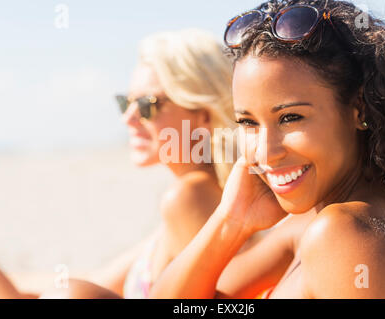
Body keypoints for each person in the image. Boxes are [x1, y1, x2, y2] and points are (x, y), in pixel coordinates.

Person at [149, 0, 385, 299]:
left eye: (290, 118)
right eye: (248, 122)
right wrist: (231, 219)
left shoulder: (345, 234)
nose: (265, 153)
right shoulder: (314, 223)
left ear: (358, 108)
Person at [39, 28, 244, 299]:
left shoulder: (189, 198)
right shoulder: (195, 198)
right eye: (126, 102)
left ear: (204, 116)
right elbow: (98, 281)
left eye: (148, 105)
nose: (129, 118)